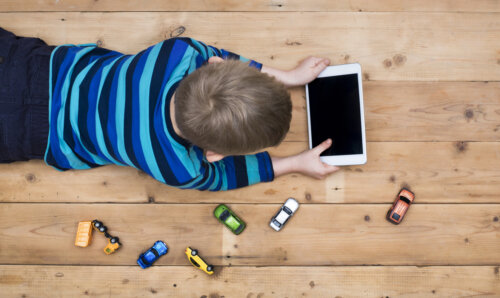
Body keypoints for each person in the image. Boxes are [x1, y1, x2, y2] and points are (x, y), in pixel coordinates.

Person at [0, 27, 339, 191]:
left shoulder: (180, 52)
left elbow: (226, 61)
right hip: (34, 134)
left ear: (214, 64)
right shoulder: (178, 167)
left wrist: (288, 77)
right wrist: (295, 163)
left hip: (35, 68)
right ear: (215, 153)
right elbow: (224, 177)